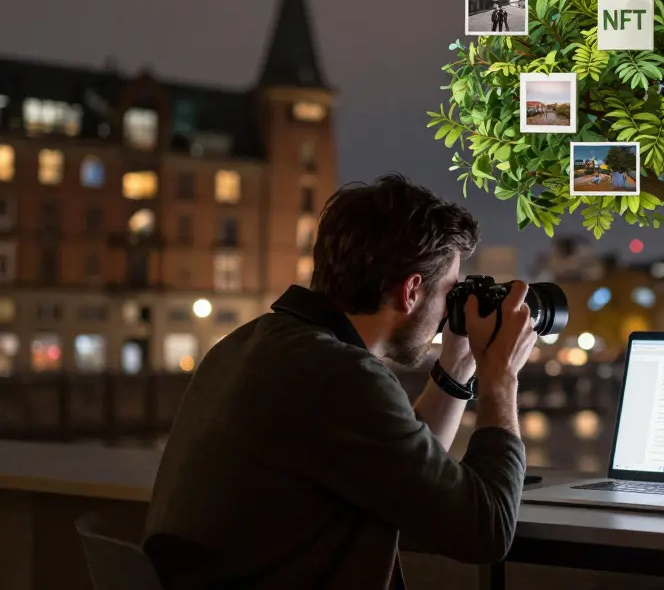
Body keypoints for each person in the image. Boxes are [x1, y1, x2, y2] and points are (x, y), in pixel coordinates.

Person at [142, 173, 537, 590]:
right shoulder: (341, 377)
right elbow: (484, 530)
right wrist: (500, 379)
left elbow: (410, 473)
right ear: (410, 291)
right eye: (449, 293)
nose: (446, 314)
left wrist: (458, 370)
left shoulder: (254, 343)